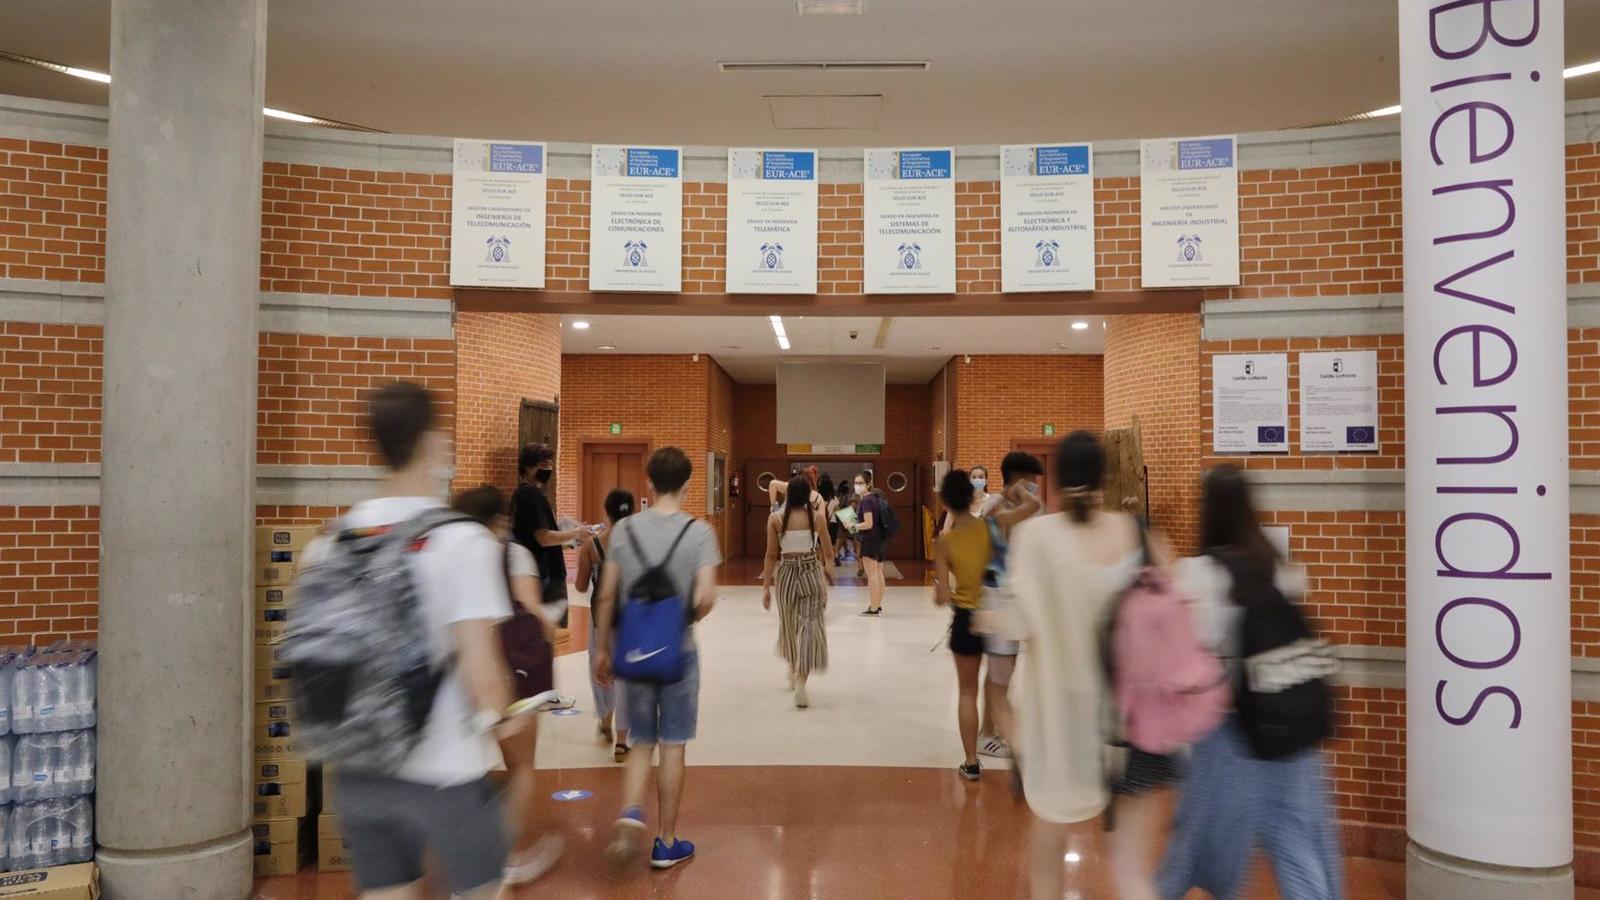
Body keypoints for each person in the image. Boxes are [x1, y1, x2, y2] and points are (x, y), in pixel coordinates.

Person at [312, 382, 524, 900]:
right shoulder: (461, 541)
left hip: (358, 769)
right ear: (433, 442)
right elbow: (483, 678)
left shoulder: (330, 544)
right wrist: (509, 712)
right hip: (446, 770)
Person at [1156, 466, 1343, 900]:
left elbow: (1186, 656)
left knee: (1195, 849)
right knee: (1297, 847)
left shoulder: (1198, 575)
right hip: (1290, 728)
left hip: (1228, 733)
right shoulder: (1282, 567)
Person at [1005, 431, 1174, 900]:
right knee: (1132, 868)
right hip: (1131, 719)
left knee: (1048, 845)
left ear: (1057, 480)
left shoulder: (1034, 537)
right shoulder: (1137, 533)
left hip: (1057, 719)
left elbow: (1019, 625)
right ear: (1105, 474)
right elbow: (1178, 610)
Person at [594, 447, 722, 871]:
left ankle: (631, 809)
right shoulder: (700, 533)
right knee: (673, 744)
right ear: (687, 484)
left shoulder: (624, 532)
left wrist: (605, 649)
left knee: (641, 739)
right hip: (678, 651)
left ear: (648, 483)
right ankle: (666, 842)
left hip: (633, 648)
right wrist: (681, 620)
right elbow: (706, 598)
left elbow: (607, 593)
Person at [451, 484, 564, 886]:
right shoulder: (511, 554)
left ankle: (464, 855)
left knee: (467, 771)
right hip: (510, 676)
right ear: (499, 520)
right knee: (520, 767)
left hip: (457, 680)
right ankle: (500, 858)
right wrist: (548, 629)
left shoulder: (444, 554)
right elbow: (532, 611)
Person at [973, 451, 1046, 763]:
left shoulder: (1005, 506)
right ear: (1019, 481)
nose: (1035, 488)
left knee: (1001, 670)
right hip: (997, 600)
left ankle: (994, 730)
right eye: (1031, 482)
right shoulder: (998, 507)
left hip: (1004, 599)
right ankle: (988, 734)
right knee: (1000, 672)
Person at [932, 469, 991, 781]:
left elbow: (941, 597)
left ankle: (971, 762)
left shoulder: (945, 542)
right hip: (996, 615)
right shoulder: (988, 528)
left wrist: (947, 590)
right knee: (998, 690)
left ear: (945, 502)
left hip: (967, 619)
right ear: (972, 496)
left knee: (968, 692)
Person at [761, 474, 835, 708]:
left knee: (789, 625)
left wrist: (765, 587)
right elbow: (829, 555)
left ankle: (793, 667)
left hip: (786, 574)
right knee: (810, 626)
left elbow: (771, 555)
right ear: (808, 495)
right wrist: (827, 575)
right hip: (811, 571)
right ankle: (802, 678)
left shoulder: (775, 519)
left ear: (789, 494)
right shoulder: (818, 519)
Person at [575, 488, 636, 763]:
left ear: (607, 513)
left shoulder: (593, 545)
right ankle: (623, 742)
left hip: (602, 617)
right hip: (632, 617)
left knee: (599, 666)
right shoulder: (640, 545)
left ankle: (605, 719)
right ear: (633, 511)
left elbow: (579, 585)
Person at [511, 443, 593, 622]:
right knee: (545, 629)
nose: (548, 469)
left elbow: (539, 538)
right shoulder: (530, 494)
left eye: (550, 464)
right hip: (544, 575)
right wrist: (576, 533)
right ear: (528, 466)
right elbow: (544, 538)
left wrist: (570, 542)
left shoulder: (532, 494)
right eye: (543, 464)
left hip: (546, 572)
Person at [852, 470, 888, 615]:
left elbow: (868, 523)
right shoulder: (875, 498)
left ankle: (873, 608)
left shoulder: (866, 500)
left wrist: (854, 526)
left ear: (868, 484)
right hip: (880, 539)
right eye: (855, 483)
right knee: (879, 572)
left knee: (872, 574)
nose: (857, 486)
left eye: (860, 483)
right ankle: (877, 604)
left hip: (869, 539)